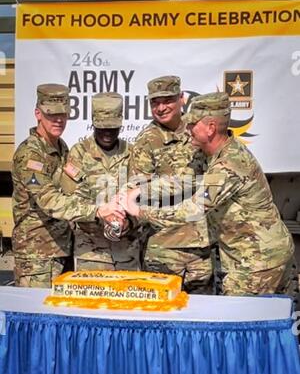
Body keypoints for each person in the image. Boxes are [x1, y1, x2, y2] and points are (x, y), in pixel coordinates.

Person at [121, 91, 298, 297]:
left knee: (240, 323)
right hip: (255, 255)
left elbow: (192, 209)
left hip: (257, 261)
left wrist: (140, 212)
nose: (187, 130)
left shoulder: (230, 164)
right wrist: (140, 190)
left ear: (211, 128)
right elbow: (182, 182)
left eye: (192, 124)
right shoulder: (211, 155)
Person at [12, 84, 123, 287]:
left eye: (63, 114)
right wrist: (98, 210)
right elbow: (49, 200)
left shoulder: (61, 147)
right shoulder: (31, 154)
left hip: (63, 249)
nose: (59, 120)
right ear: (38, 113)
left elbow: (75, 189)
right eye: (51, 114)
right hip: (38, 256)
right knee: (39, 316)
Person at [130, 75, 214, 294]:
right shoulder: (146, 140)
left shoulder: (200, 130)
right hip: (163, 245)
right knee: (161, 316)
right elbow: (138, 190)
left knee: (201, 315)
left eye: (167, 100)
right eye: (155, 102)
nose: (161, 107)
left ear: (181, 99)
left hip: (200, 245)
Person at [61, 92, 141, 271]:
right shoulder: (79, 154)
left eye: (113, 128)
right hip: (91, 253)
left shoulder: (133, 154)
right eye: (102, 127)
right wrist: (99, 214)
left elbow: (143, 196)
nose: (107, 133)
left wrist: (130, 222)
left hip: (127, 253)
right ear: (93, 122)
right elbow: (70, 201)